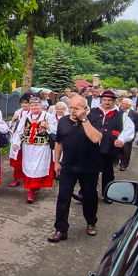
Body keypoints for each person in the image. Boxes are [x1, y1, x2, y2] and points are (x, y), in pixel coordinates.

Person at [49, 96, 103, 242]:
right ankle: (61, 229)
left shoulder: (95, 119)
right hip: (68, 166)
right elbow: (58, 142)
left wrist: (84, 120)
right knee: (63, 198)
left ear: (85, 108)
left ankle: (91, 222)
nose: (73, 111)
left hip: (89, 166)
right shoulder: (63, 121)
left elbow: (96, 138)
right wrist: (56, 162)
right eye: (71, 108)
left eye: (77, 108)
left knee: (90, 197)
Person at [88, 90, 134, 203]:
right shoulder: (92, 112)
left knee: (108, 172)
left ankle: (107, 194)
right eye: (104, 100)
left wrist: (122, 139)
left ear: (114, 101)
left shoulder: (120, 115)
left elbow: (129, 128)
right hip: (91, 147)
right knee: (90, 171)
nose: (107, 102)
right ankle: (86, 193)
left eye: (109, 100)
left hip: (109, 147)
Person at [10, 97, 54, 204]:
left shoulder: (48, 116)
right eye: (32, 105)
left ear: (41, 106)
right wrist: (16, 143)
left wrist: (48, 126)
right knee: (29, 168)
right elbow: (19, 132)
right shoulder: (25, 117)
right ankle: (33, 187)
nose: (34, 107)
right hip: (28, 147)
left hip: (42, 147)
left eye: (36, 105)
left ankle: (31, 191)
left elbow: (57, 130)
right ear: (30, 107)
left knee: (37, 168)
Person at [8, 93, 32, 187]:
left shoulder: (32, 113)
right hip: (17, 138)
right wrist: (14, 119)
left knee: (27, 159)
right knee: (17, 160)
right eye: (22, 103)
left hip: (27, 139)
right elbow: (11, 126)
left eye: (26, 103)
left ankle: (28, 178)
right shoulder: (18, 112)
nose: (24, 105)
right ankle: (17, 178)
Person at [118, 98, 138, 172]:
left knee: (126, 150)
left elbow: (137, 125)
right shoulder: (117, 112)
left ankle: (124, 165)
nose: (121, 104)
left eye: (124, 104)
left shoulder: (135, 114)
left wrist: (132, 134)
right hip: (117, 134)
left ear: (129, 105)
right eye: (121, 103)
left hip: (128, 135)